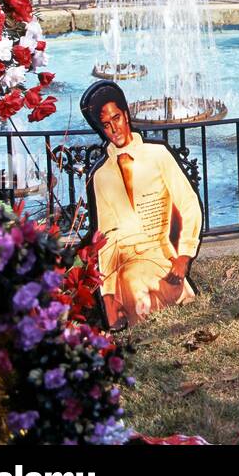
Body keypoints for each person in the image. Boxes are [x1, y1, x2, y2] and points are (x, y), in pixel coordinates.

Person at [80, 81, 203, 330]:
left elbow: (188, 203)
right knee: (133, 285)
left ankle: (161, 307)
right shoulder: (101, 175)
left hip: (159, 254)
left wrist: (184, 257)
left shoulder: (158, 155)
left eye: (117, 117)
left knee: (144, 291)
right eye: (106, 124)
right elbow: (107, 240)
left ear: (126, 114)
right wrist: (108, 297)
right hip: (126, 263)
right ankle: (137, 314)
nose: (115, 128)